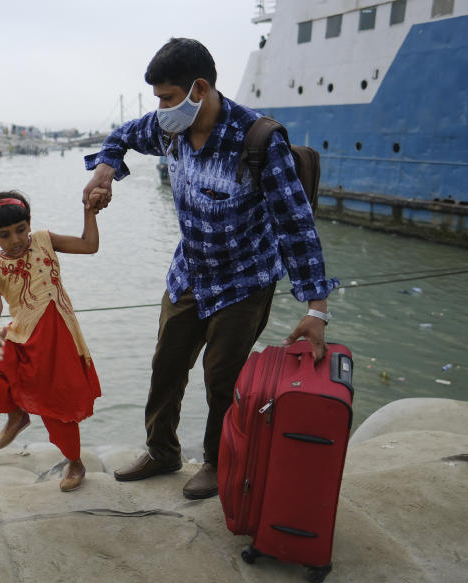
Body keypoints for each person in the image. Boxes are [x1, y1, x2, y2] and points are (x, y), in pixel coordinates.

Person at [81, 38, 338, 500]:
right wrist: (104, 169)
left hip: (244, 283)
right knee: (166, 368)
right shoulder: (169, 130)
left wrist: (316, 309)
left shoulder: (258, 140)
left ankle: (218, 462)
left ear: (199, 88)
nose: (159, 109)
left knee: (223, 380)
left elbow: (296, 225)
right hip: (190, 274)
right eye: (155, 99)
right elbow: (121, 136)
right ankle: (162, 452)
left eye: (166, 98)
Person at [0, 189, 108, 492]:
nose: (16, 239)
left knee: (56, 407)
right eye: (5, 235)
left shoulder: (45, 240)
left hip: (59, 339)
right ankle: (16, 414)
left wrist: (89, 212)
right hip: (22, 335)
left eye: (21, 229)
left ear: (29, 223)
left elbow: (89, 246)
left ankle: (75, 462)